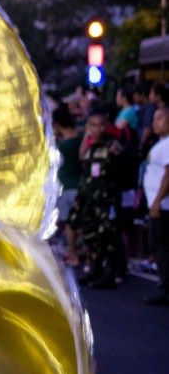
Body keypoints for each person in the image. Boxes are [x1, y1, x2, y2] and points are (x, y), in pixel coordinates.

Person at [68, 109, 121, 288]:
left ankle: (110, 274)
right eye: (93, 125)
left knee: (107, 237)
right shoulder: (90, 148)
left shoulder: (112, 146)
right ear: (88, 127)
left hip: (105, 201)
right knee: (91, 236)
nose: (97, 129)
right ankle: (95, 270)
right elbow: (83, 162)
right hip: (88, 199)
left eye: (100, 125)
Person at [142, 107, 169, 305]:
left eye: (160, 118)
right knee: (160, 246)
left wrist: (158, 202)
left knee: (162, 247)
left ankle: (164, 289)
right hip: (159, 204)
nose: (155, 122)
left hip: (163, 206)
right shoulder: (161, 143)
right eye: (155, 118)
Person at [53, 105, 83, 267]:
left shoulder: (61, 147)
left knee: (68, 224)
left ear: (56, 124)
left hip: (65, 187)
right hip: (81, 185)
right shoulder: (82, 138)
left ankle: (72, 254)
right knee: (81, 221)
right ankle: (83, 251)